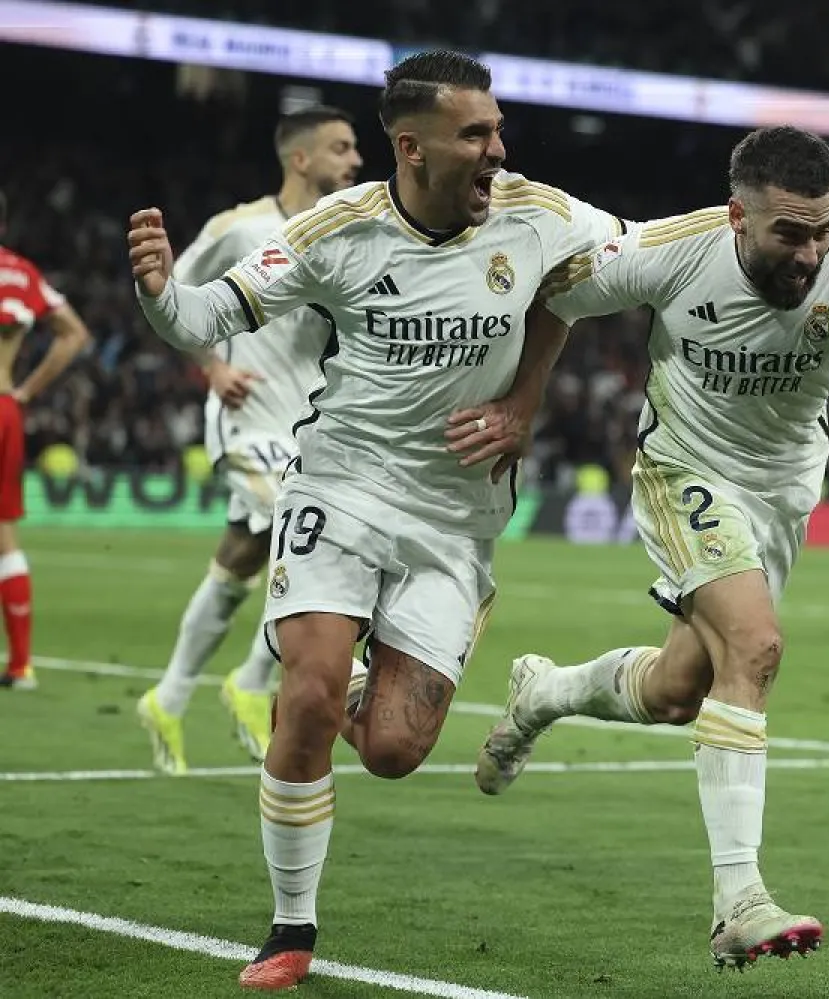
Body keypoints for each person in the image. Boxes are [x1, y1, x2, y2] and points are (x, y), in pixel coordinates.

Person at [127, 50, 627, 990]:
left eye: (497, 129)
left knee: (394, 751)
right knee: (308, 693)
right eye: (476, 134)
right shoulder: (335, 229)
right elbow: (204, 319)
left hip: (456, 517)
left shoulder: (538, 213)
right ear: (412, 147)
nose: (497, 149)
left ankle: (358, 678)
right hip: (340, 484)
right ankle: (290, 927)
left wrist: (525, 401)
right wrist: (160, 293)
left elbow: (607, 273)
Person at [473, 126, 829, 969]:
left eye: (825, 227)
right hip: (683, 469)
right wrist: (524, 401)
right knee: (756, 643)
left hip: (782, 496)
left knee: (680, 691)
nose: (811, 251)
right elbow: (551, 297)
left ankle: (544, 692)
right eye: (789, 232)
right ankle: (738, 899)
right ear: (737, 214)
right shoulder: (671, 251)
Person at [136, 105, 363, 775]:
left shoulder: (349, 235)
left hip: (308, 424)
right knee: (319, 539)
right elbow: (171, 294)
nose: (355, 160)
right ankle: (253, 681)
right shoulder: (240, 229)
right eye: (342, 148)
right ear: (301, 159)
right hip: (245, 416)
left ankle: (169, 696)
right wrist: (215, 365)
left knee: (240, 560)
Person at [0, 191, 93, 690]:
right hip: (5, 409)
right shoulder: (20, 272)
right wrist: (26, 391)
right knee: (4, 537)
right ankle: (20, 665)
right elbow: (74, 332)